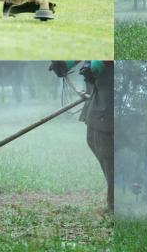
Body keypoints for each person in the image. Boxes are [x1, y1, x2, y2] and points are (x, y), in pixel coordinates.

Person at [50, 61, 114, 212]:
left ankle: (115, 205)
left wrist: (99, 62)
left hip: (110, 94)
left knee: (106, 149)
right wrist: (67, 62)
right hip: (98, 91)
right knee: (93, 140)